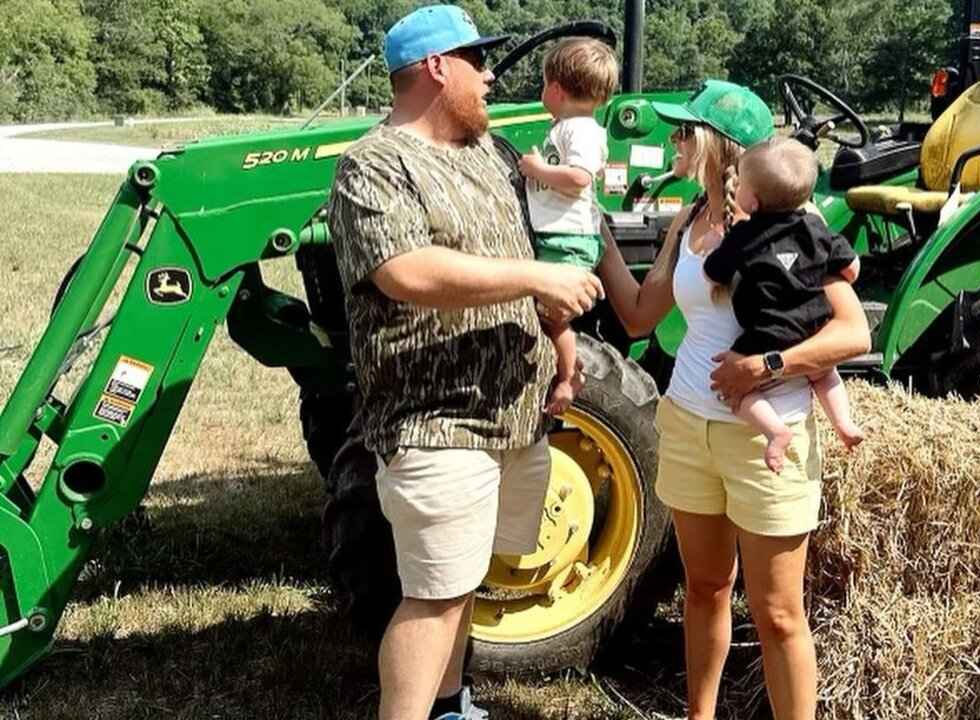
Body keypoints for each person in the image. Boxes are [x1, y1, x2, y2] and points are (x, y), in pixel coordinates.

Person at [326, 6, 604, 720]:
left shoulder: (493, 153)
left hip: (512, 414)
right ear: (435, 68)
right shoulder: (373, 165)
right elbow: (405, 271)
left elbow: (559, 225)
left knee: (464, 579)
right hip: (436, 419)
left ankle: (451, 705)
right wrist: (537, 278)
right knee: (434, 593)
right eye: (476, 61)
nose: (489, 76)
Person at [596, 80, 871, 720]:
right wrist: (595, 233)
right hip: (689, 425)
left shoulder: (795, 224)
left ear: (721, 146)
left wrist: (764, 366)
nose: (674, 143)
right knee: (705, 588)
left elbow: (853, 332)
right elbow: (639, 316)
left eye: (685, 132)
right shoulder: (690, 219)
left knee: (778, 613)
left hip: (766, 437)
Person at [703, 136, 867, 473]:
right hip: (813, 329)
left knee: (733, 390)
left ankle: (775, 431)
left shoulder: (744, 235)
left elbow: (713, 273)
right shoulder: (815, 228)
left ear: (752, 199)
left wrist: (712, 249)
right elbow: (851, 268)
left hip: (764, 335)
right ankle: (844, 423)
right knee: (826, 375)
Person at [517, 36, 618, 414]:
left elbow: (579, 178)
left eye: (543, 84)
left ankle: (568, 380)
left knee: (553, 319)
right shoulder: (566, 127)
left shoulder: (581, 130)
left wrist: (538, 169)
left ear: (556, 90)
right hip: (558, 236)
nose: (542, 92)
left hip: (568, 240)